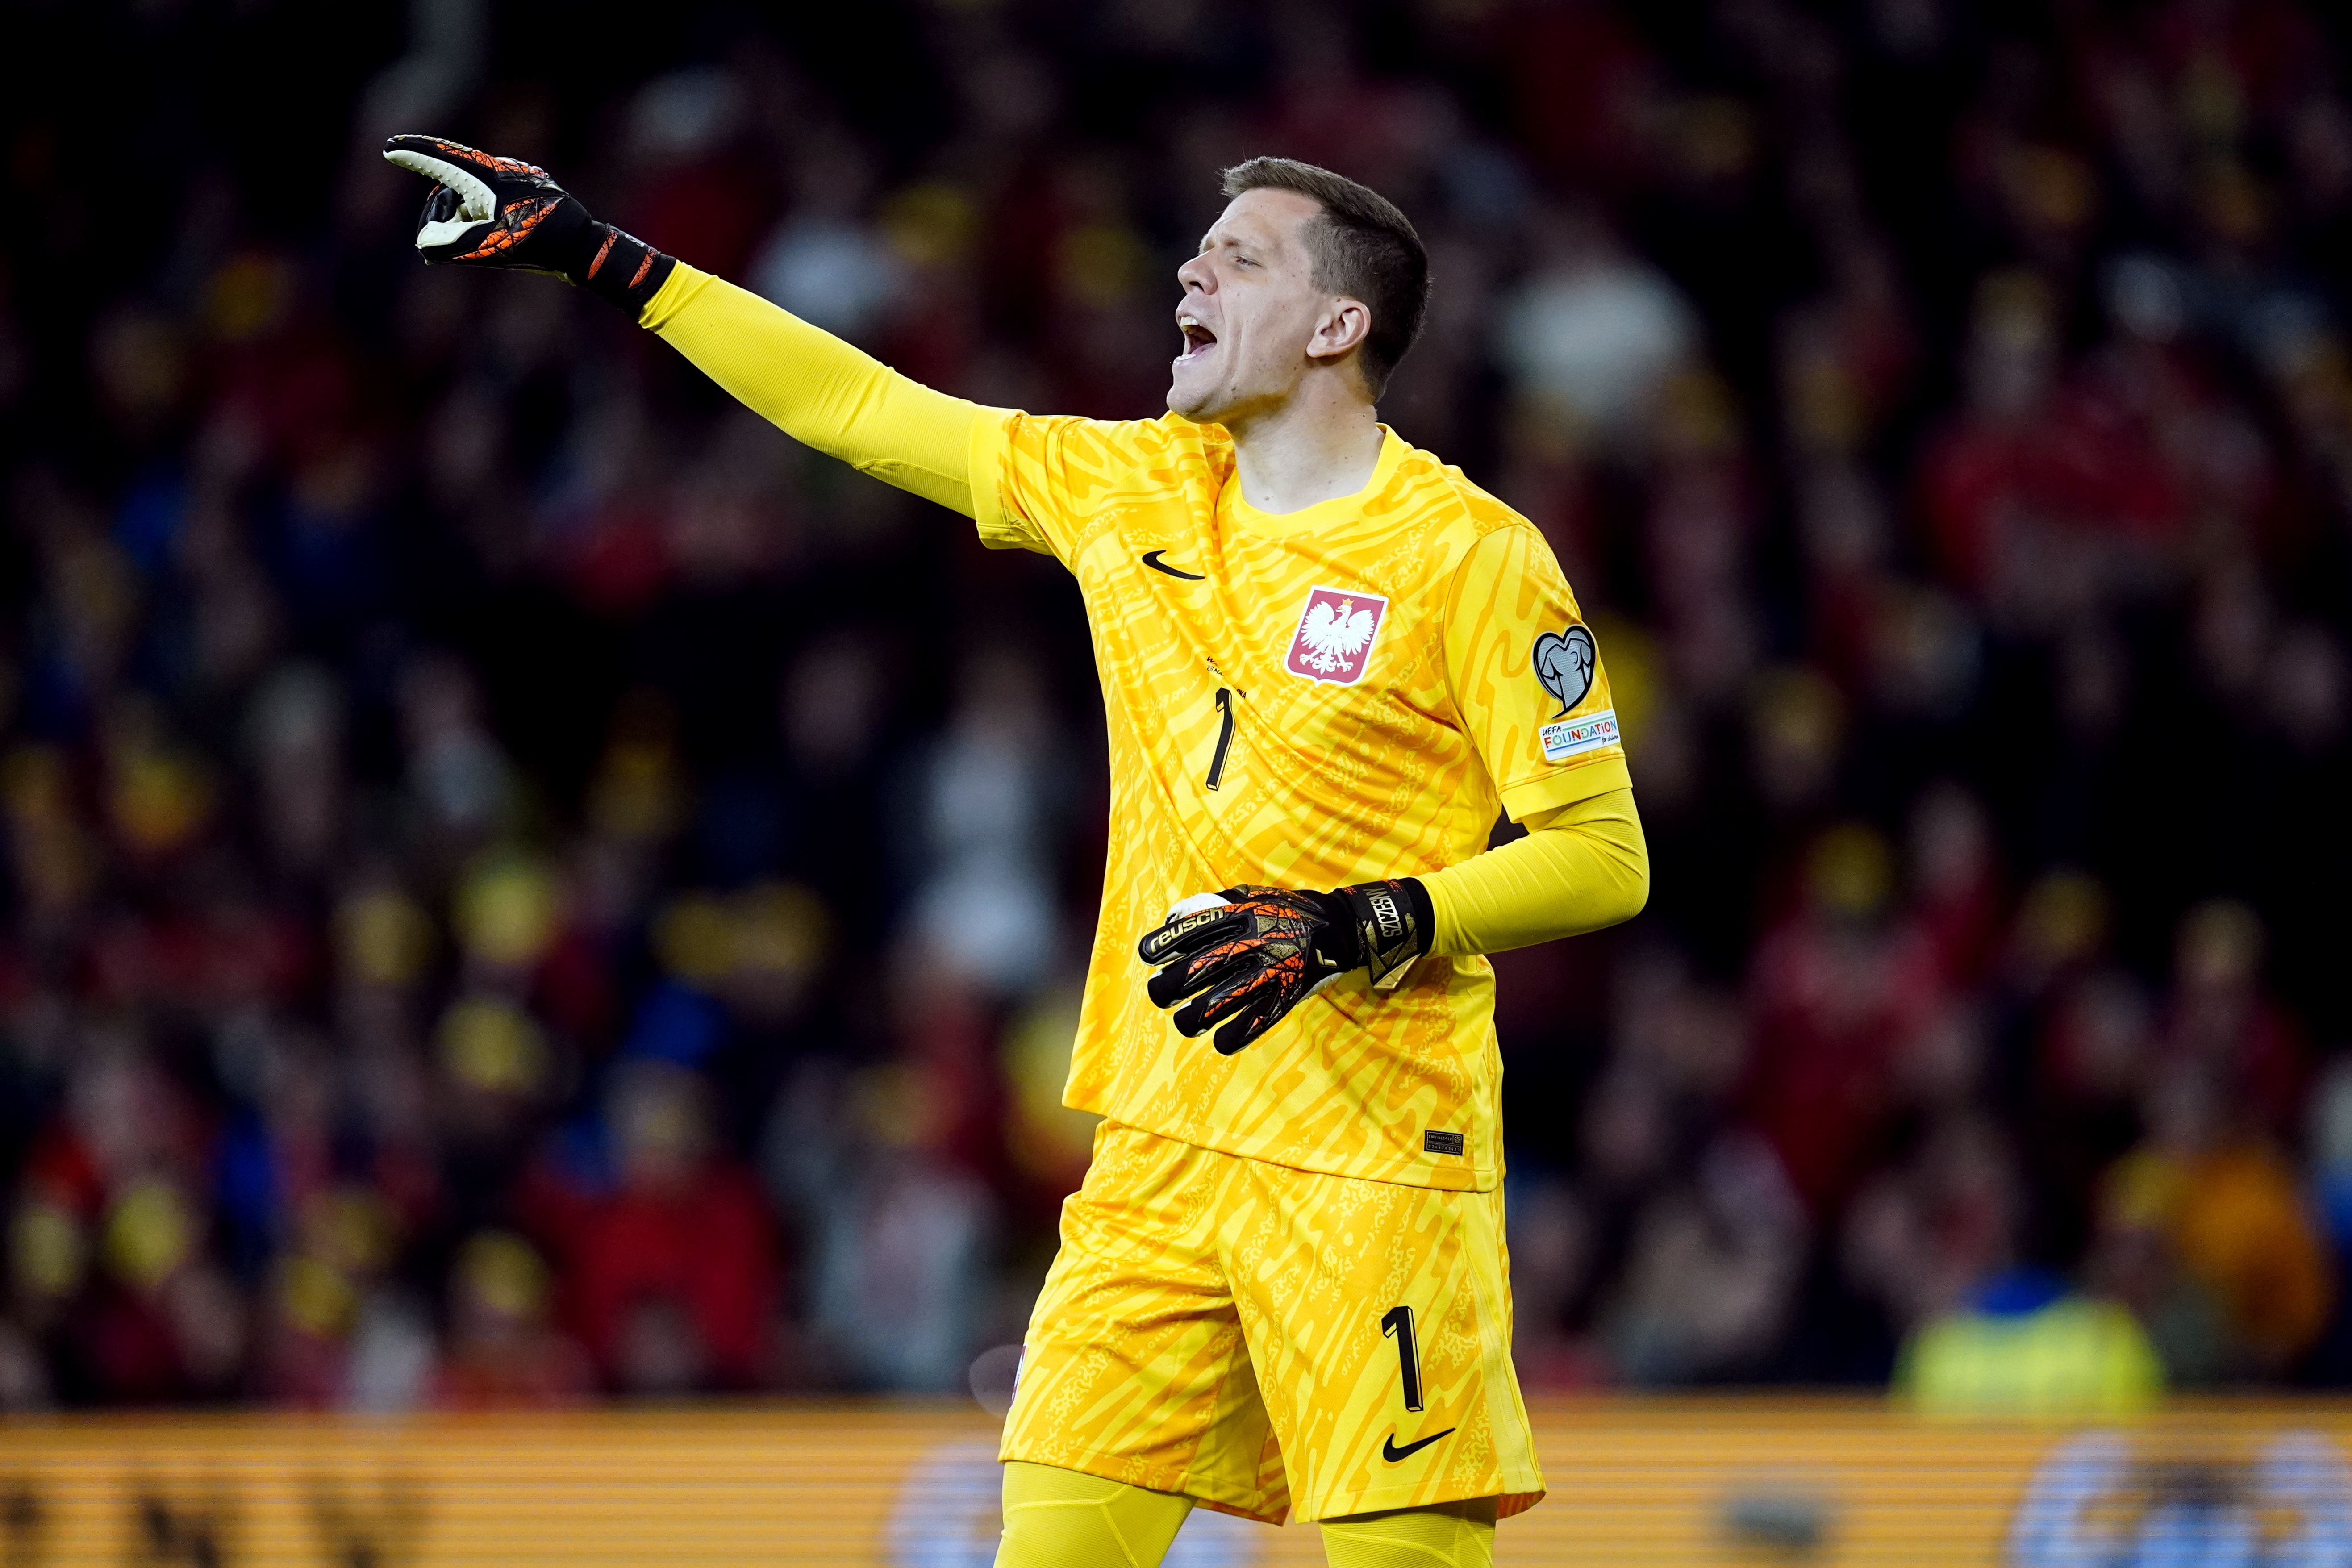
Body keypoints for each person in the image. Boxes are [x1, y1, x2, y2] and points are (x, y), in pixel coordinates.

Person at [383, 134, 1648, 1568]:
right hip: (1154, 1155)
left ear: (1334, 325)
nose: (1192, 269)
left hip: (1365, 1163)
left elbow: (1602, 857)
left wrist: (1352, 923)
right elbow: (862, 408)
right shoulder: (1134, 490)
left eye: (1239, 259)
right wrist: (609, 259)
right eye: (1198, 247)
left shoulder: (1470, 557)